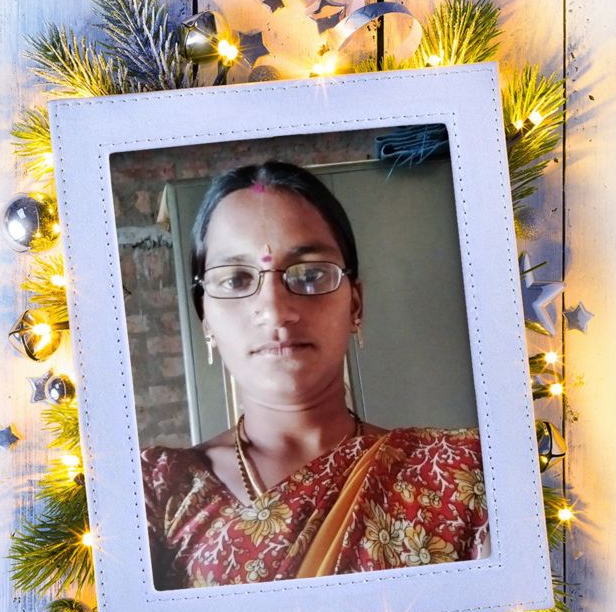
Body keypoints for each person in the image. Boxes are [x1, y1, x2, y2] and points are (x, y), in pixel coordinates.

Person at [142, 161, 489, 590]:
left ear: (355, 305)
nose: (275, 310)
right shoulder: (158, 492)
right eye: (235, 280)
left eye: (309, 275)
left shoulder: (465, 471)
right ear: (206, 319)